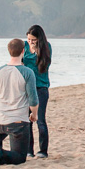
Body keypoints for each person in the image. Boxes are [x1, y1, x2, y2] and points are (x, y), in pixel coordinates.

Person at [0, 38, 38, 166]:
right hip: (17, 123)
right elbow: (33, 100)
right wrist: (34, 115)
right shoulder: (27, 72)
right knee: (20, 158)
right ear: (23, 51)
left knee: (0, 130)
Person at [22, 24, 52, 158]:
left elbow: (44, 66)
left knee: (40, 120)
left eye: (33, 40)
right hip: (26, 87)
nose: (30, 42)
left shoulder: (46, 47)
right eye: (29, 39)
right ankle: (29, 150)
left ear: (39, 39)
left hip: (41, 87)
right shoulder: (24, 46)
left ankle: (43, 151)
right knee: (27, 120)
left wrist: (36, 51)